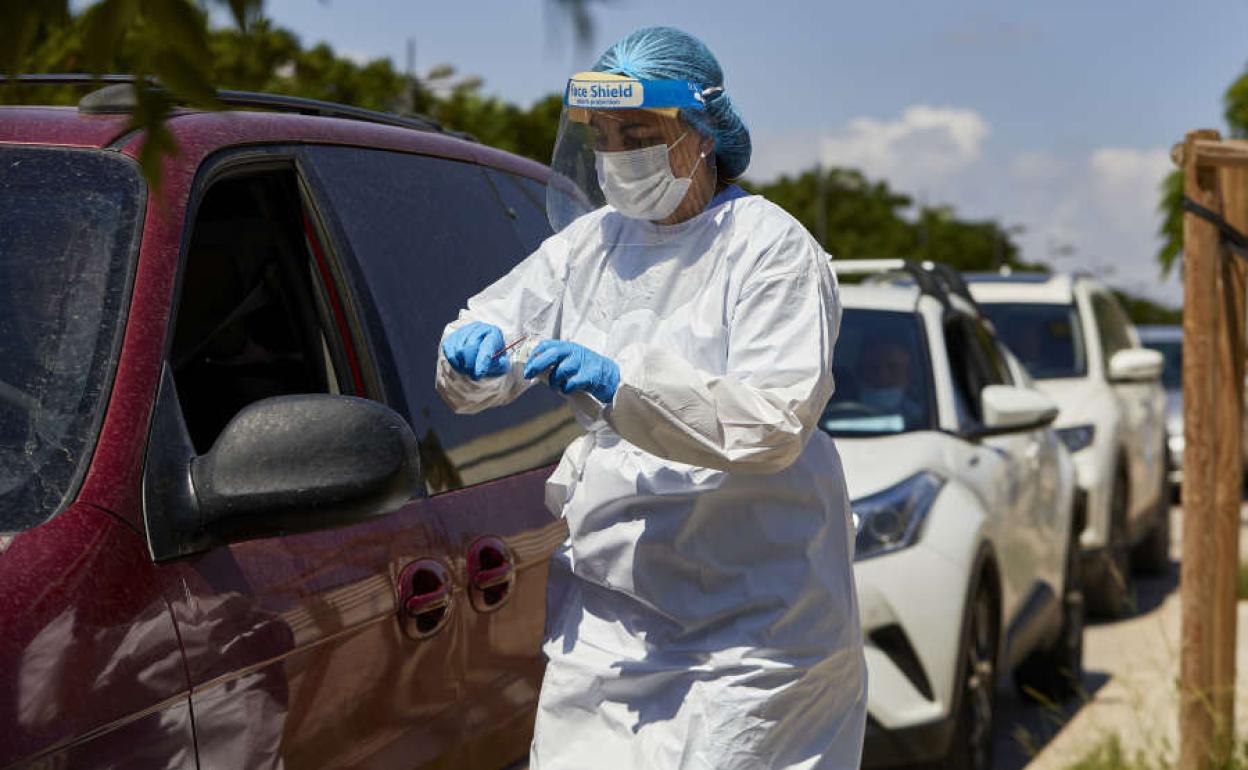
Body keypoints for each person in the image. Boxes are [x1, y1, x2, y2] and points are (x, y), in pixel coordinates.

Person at [436, 26, 866, 769]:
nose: (616, 155)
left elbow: (771, 425)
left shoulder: (769, 247)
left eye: (637, 132)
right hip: (612, 624)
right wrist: (467, 357)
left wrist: (621, 382)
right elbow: (497, 329)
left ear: (702, 135)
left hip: (754, 630)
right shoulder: (591, 244)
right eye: (602, 137)